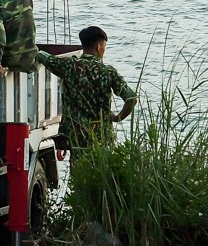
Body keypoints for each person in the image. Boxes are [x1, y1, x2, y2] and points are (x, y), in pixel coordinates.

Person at [35, 25, 136, 154]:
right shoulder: (108, 72)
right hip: (101, 138)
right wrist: (117, 118)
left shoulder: (68, 66)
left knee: (78, 172)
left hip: (76, 137)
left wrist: (35, 50)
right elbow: (131, 99)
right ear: (99, 46)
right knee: (102, 171)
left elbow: (46, 58)